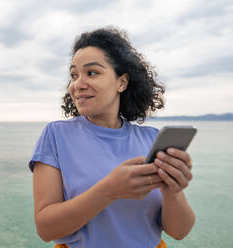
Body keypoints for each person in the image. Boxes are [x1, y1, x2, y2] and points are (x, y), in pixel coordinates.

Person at [29, 27, 195, 248]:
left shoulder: (151, 139)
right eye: (73, 75)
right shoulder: (56, 135)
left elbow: (179, 232)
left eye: (92, 73)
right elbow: (46, 229)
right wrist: (109, 190)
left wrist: (173, 192)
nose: (78, 84)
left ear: (122, 82)